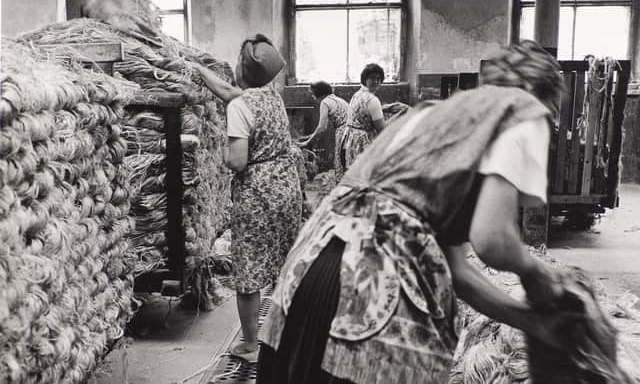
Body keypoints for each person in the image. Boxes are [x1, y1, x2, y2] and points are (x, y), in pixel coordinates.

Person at [256, 40, 569, 383]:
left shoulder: (430, 116)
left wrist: (531, 322)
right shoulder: (524, 109)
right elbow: (493, 240)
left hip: (307, 271)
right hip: (372, 291)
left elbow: (460, 274)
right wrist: (537, 274)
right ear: (545, 95)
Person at [195, 34, 302, 363]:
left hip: (257, 192)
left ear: (242, 68)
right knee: (284, 261)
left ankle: (251, 346)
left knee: (248, 269)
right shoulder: (271, 97)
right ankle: (291, 335)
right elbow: (230, 94)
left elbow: (238, 160)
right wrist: (199, 70)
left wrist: (219, 154)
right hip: (287, 186)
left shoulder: (241, 107)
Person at [297, 81, 350, 180]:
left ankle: (340, 188)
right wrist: (307, 137)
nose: (313, 97)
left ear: (318, 93)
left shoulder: (325, 102)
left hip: (343, 131)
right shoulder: (337, 99)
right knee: (347, 162)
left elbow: (321, 128)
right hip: (351, 132)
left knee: (339, 163)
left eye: (313, 94)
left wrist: (306, 143)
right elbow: (321, 128)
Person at [341, 63, 386, 171]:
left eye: (378, 78)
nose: (376, 81)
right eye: (372, 78)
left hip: (349, 141)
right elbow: (381, 129)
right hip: (362, 145)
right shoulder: (372, 100)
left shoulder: (358, 94)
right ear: (365, 79)